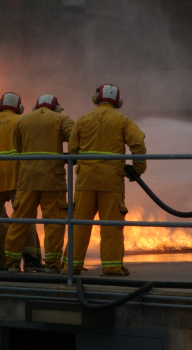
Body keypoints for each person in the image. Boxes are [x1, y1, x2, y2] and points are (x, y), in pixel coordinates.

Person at [62, 84, 147, 276]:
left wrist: (80, 160)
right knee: (111, 225)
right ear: (117, 102)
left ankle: (71, 266)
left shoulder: (83, 119)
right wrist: (137, 169)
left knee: (80, 223)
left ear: (96, 99)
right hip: (111, 182)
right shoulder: (122, 120)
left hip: (85, 181)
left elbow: (73, 148)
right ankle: (111, 268)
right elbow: (138, 145)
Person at [4, 95, 75, 273]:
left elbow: (18, 147)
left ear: (36, 106)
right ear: (55, 107)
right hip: (53, 180)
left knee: (20, 220)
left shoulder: (23, 121)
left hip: (27, 179)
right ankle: (52, 264)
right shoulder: (61, 119)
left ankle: (11, 263)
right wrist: (73, 156)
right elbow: (75, 139)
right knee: (54, 222)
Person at [0, 92, 43, 272]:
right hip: (16, 176)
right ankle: (30, 259)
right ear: (19, 108)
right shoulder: (21, 121)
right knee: (25, 216)